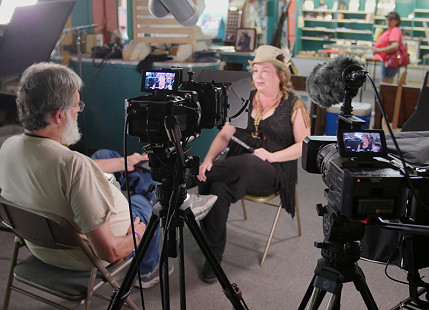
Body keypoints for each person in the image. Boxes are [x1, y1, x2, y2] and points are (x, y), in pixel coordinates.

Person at [0, 62, 214, 289]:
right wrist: (139, 233)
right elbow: (110, 251)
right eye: (76, 105)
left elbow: (63, 168)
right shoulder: (75, 166)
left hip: (42, 248)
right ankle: (149, 270)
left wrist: (126, 161)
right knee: (147, 198)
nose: (78, 110)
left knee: (111, 160)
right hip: (86, 256)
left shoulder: (8, 146)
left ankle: (146, 181)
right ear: (58, 116)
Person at [197, 45, 311, 283]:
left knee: (247, 162)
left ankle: (189, 176)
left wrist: (272, 156)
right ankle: (213, 255)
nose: (258, 76)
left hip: (273, 171)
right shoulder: (244, 99)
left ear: (280, 74)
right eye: (256, 70)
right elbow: (224, 136)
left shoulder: (294, 104)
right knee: (215, 189)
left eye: (265, 71)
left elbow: (303, 145)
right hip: (236, 169)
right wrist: (208, 159)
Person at [373, 12, 403, 83]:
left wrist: (379, 50)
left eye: (391, 19)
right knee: (386, 82)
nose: (388, 21)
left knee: (385, 83)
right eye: (387, 19)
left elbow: (394, 47)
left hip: (391, 60)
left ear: (397, 21)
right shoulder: (391, 30)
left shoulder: (395, 30)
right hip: (388, 59)